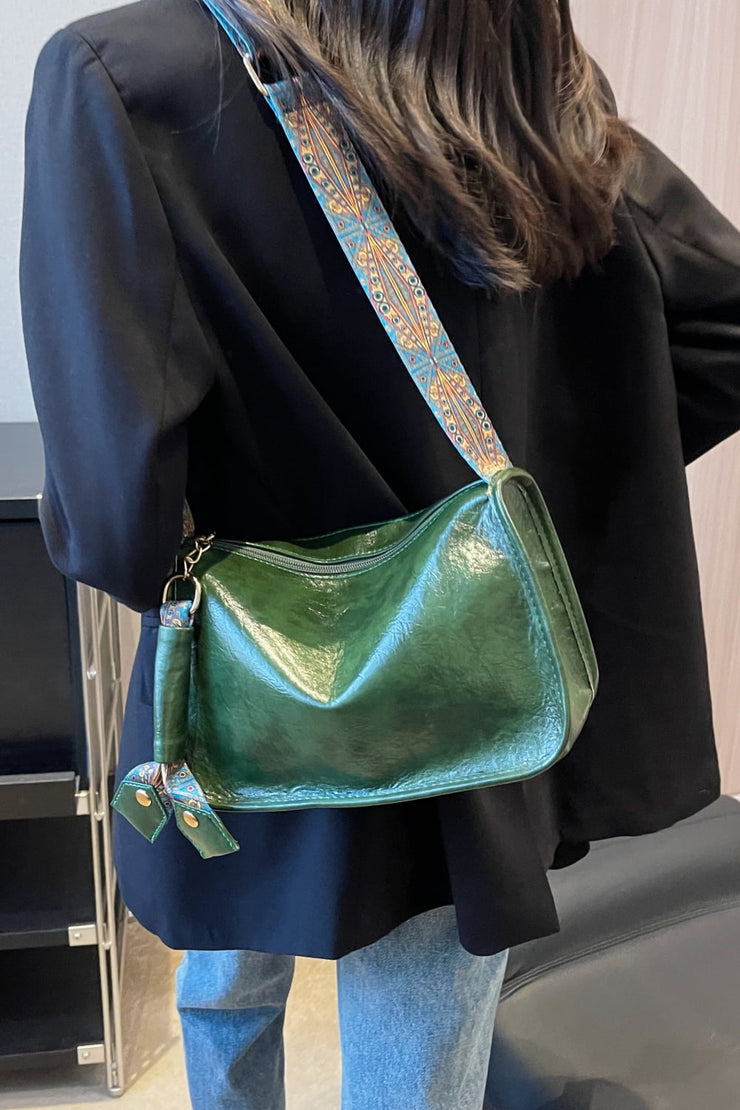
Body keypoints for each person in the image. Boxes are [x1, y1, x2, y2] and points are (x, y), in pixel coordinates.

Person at [19, 1, 740, 1107]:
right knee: (422, 1060)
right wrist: (524, 510)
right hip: (463, 691)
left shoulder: (124, 75)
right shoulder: (515, 69)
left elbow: (118, 526)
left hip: (245, 673)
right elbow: (719, 328)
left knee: (225, 965)